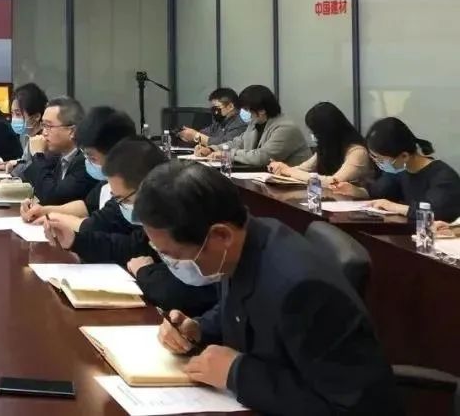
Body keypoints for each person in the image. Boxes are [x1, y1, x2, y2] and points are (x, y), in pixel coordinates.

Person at [140, 161, 401, 415]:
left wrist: (237, 373)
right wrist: (198, 328)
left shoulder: (302, 288)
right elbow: (241, 309)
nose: (172, 264)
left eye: (174, 255)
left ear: (221, 236)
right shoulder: (244, 243)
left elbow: (355, 407)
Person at [41, 138, 218, 316]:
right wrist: (75, 240)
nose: (120, 205)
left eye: (122, 199)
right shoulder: (152, 214)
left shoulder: (185, 210)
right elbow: (131, 246)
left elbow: (189, 294)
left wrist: (144, 273)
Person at [20, 106, 136, 223]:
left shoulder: (133, 186)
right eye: (43, 126)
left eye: (92, 157)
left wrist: (54, 217)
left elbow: (96, 225)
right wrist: (44, 211)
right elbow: (86, 206)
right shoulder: (105, 181)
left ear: (115, 153)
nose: (44, 132)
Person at [332, 117, 460, 222]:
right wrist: (355, 191)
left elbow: (435, 212)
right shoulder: (401, 170)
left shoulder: (443, 178)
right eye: (374, 157)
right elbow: (380, 191)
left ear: (404, 156)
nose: (377, 163)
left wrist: (393, 207)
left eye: (380, 159)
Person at [200, 84, 311, 168]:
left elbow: (262, 157)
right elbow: (237, 142)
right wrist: (212, 149)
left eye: (247, 109)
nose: (244, 113)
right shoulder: (255, 123)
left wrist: (226, 154)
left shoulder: (286, 128)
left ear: (262, 110)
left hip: (294, 185)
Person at [267, 101, 374, 186]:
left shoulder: (357, 152)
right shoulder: (327, 147)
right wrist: (282, 168)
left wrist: (289, 171)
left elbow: (334, 182)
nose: (313, 135)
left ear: (328, 131)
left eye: (315, 132)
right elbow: (303, 169)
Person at [20, 96, 96, 205]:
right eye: (43, 125)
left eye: (48, 126)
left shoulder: (86, 162)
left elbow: (52, 198)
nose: (44, 132)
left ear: (72, 131)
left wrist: (38, 155)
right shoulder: (58, 156)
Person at [0, 83, 47, 176]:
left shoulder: (43, 140)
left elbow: (30, 172)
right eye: (12, 113)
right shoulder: (31, 136)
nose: (14, 118)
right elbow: (26, 163)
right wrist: (14, 164)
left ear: (36, 116)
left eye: (18, 114)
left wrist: (15, 168)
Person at [178, 87, 246, 147]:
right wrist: (189, 134)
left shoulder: (240, 125)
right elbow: (204, 133)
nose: (214, 111)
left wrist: (197, 136)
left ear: (230, 106)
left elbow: (226, 145)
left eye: (216, 107)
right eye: (212, 108)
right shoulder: (219, 122)